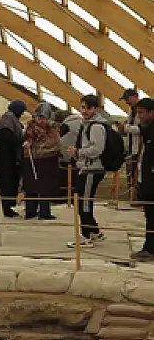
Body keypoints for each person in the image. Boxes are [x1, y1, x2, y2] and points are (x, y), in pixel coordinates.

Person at [67, 94, 109, 247]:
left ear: (96, 109)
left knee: (83, 203)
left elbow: (97, 149)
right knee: (82, 201)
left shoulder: (96, 126)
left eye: (88, 108)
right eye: (82, 107)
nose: (84, 111)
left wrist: (78, 152)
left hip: (92, 168)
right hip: (87, 167)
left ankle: (86, 236)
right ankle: (94, 231)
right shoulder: (87, 124)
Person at [21, 102, 61, 220]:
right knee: (32, 186)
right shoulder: (32, 126)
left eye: (44, 118)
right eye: (39, 117)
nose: (41, 120)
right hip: (35, 159)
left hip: (49, 159)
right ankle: (30, 211)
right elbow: (28, 138)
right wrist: (27, 143)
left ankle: (44, 212)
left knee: (46, 187)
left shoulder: (52, 127)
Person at [0, 100, 26, 217]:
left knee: (10, 182)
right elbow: (5, 136)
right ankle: (4, 208)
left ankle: (8, 207)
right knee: (5, 183)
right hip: (6, 158)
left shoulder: (11, 119)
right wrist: (21, 141)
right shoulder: (7, 120)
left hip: (10, 158)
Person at [131, 97, 154, 261]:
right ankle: (149, 247)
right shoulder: (148, 128)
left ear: (151, 113)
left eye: (141, 113)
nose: (139, 116)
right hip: (147, 177)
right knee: (149, 214)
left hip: (152, 180)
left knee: (152, 215)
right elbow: (139, 130)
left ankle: (150, 249)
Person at [120, 88, 142, 199]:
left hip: (139, 148)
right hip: (131, 148)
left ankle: (138, 198)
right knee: (131, 174)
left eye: (128, 99)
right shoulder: (132, 111)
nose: (127, 102)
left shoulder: (142, 111)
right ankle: (133, 197)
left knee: (137, 175)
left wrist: (126, 128)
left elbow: (142, 129)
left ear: (135, 97)